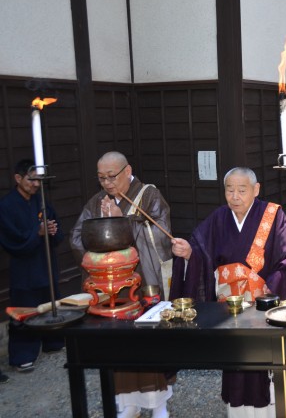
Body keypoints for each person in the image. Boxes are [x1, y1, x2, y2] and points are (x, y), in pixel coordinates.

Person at [169, 167, 286, 416]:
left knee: (264, 359)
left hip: (264, 302)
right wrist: (189, 254)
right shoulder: (219, 218)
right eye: (229, 190)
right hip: (229, 306)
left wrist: (270, 286)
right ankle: (238, 410)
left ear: (256, 190)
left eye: (242, 190)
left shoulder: (273, 216)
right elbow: (200, 250)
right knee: (236, 358)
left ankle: (269, 410)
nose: (235, 196)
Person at [70, 151, 173, 418]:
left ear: (128, 171)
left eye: (111, 176)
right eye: (101, 178)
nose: (106, 183)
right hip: (110, 287)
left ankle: (158, 405)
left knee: (146, 347)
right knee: (117, 346)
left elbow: (160, 237)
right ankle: (127, 405)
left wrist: (121, 221)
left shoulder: (149, 195)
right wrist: (98, 252)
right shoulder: (97, 202)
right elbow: (77, 236)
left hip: (143, 286)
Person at [0, 159, 65, 373]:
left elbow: (54, 225)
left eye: (38, 179)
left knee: (50, 304)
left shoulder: (41, 201)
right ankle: (23, 355)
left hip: (45, 263)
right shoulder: (6, 206)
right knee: (25, 311)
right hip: (25, 269)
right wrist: (37, 234)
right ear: (18, 179)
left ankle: (52, 342)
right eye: (31, 179)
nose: (36, 184)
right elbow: (13, 242)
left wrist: (53, 231)